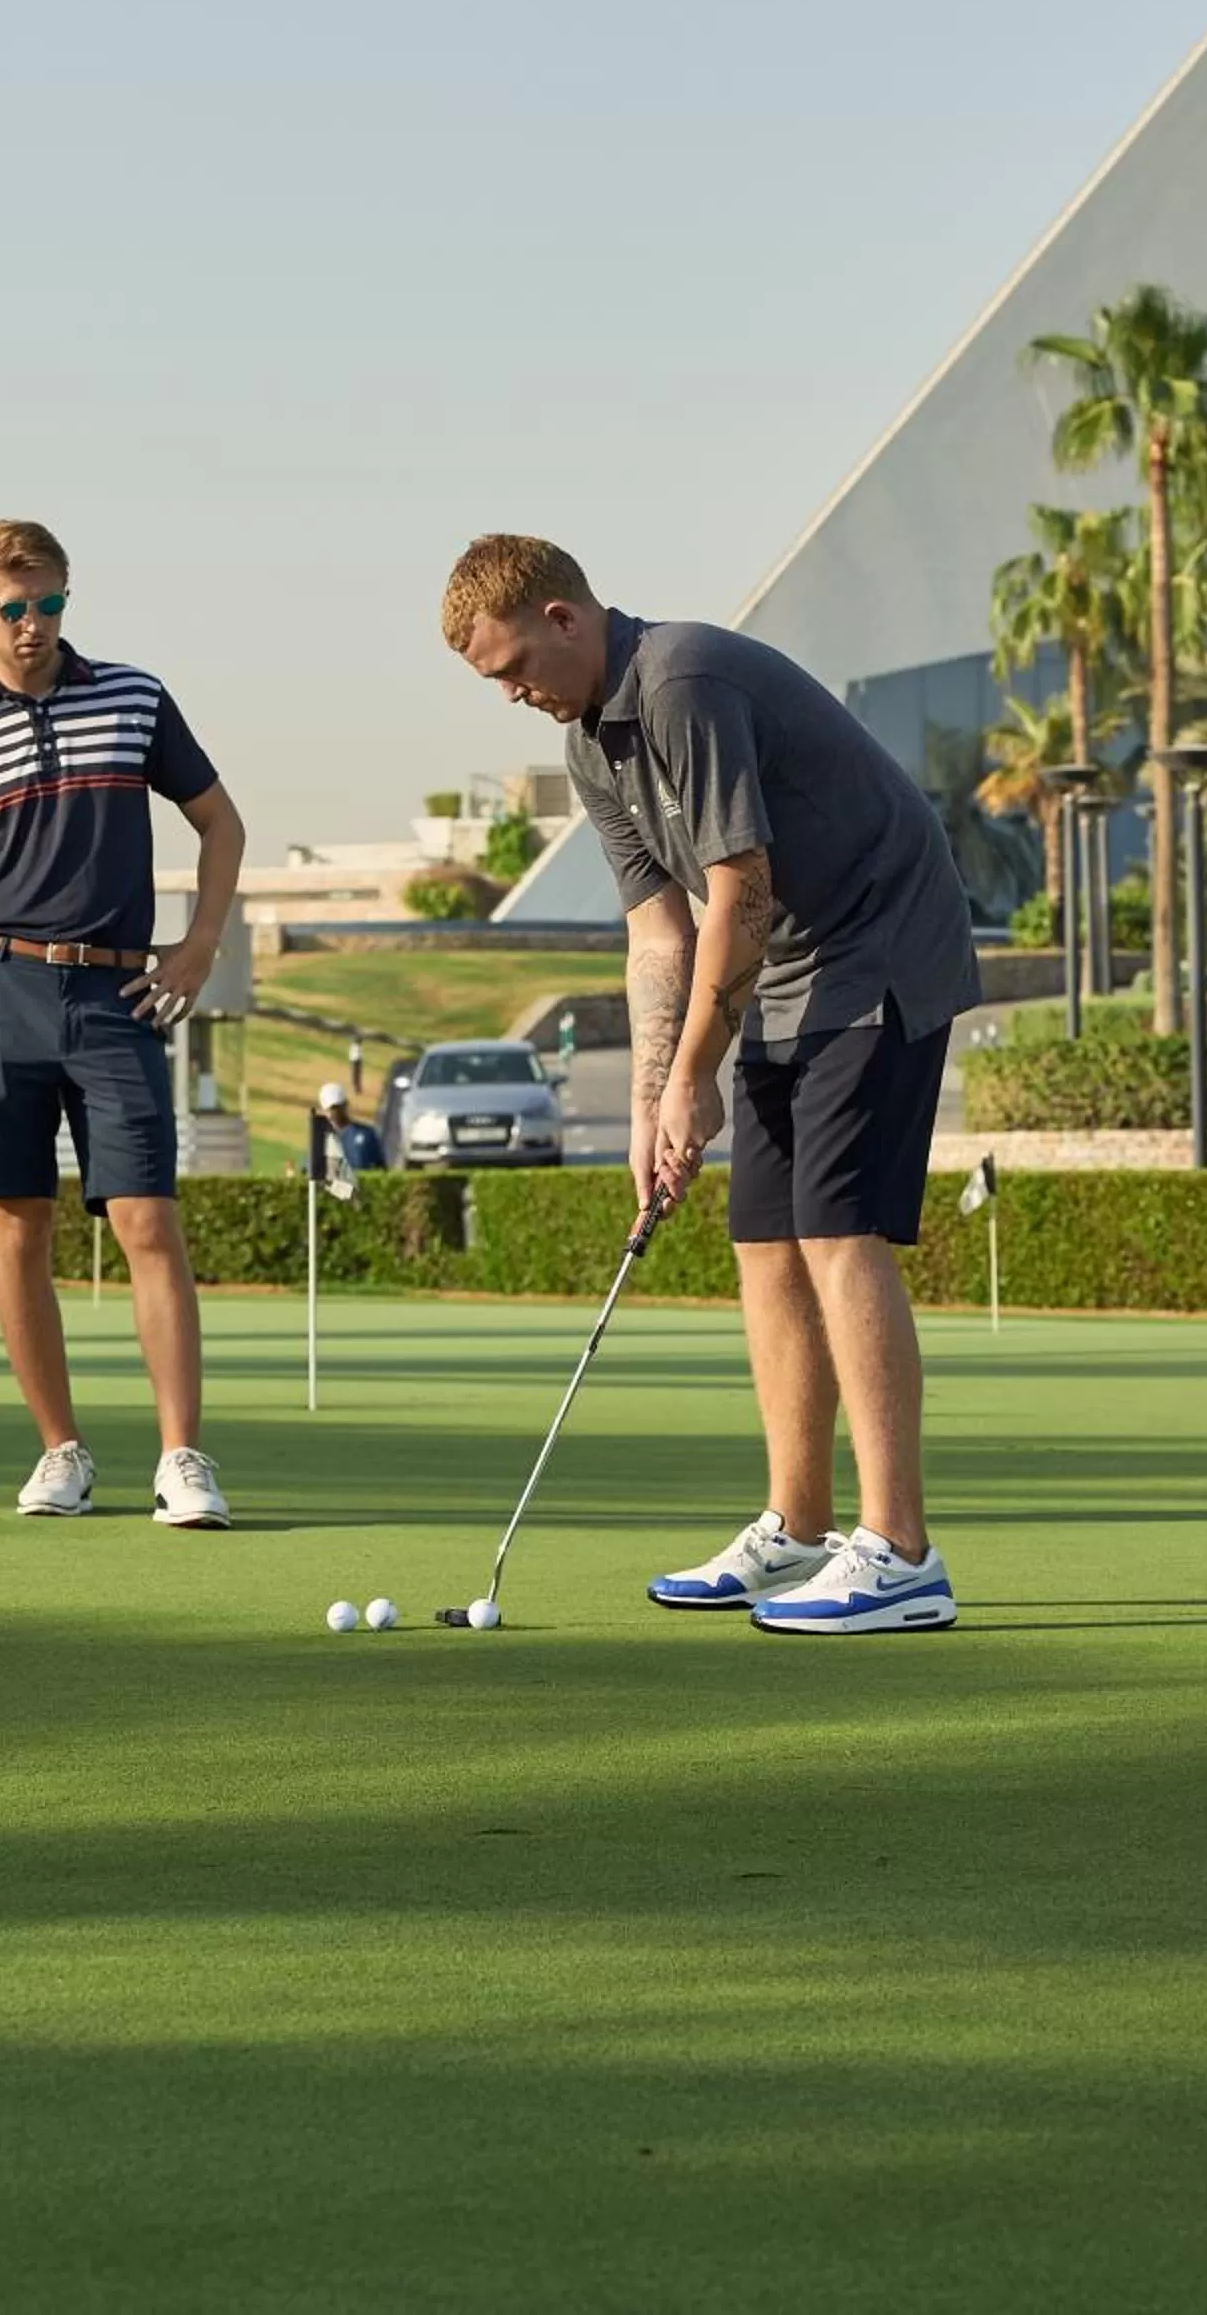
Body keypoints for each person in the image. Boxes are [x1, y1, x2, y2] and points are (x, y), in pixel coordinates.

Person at [440, 533, 980, 1637]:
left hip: (878, 947)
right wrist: (651, 1102)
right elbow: (657, 930)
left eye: (512, 669)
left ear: (563, 619)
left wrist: (697, 1076)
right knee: (763, 1240)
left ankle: (903, 1555)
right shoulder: (593, 742)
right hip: (788, 970)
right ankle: (800, 1525)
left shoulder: (682, 680)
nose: (510, 696)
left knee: (838, 1231)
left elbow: (739, 886)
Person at [0, 518, 246, 1527]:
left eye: (50, 603)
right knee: (19, 1225)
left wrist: (196, 950)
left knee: (148, 1218)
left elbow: (220, 822)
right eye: (13, 608)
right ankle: (61, 1451)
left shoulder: (135, 698)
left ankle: (183, 1459)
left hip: (115, 993)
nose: (33, 625)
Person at [317, 1081, 386, 1175]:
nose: (332, 1113)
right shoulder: (320, 1139)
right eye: (329, 1109)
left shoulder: (367, 1134)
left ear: (345, 1105)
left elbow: (381, 1169)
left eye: (336, 1107)